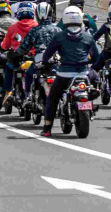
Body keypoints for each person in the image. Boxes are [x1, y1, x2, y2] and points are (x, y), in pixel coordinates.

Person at [39, 7, 100, 137]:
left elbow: (47, 54)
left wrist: (44, 61)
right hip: (84, 74)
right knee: (94, 81)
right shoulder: (87, 36)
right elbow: (96, 57)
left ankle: (47, 127)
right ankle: (92, 102)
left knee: (52, 98)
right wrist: (89, 62)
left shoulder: (59, 36)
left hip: (64, 74)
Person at [17, 2, 59, 98]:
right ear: (51, 14)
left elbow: (23, 47)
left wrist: (16, 54)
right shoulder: (58, 30)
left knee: (28, 73)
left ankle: (28, 96)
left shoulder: (34, 30)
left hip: (39, 61)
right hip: (55, 61)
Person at [0, 1, 38, 98]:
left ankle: (8, 91)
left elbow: (5, 45)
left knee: (8, 67)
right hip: (34, 58)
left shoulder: (13, 28)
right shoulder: (37, 26)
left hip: (17, 58)